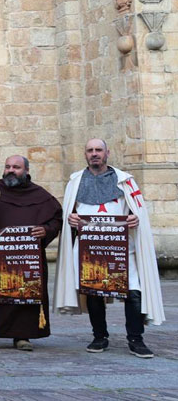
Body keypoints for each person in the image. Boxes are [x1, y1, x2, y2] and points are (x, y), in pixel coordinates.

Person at [55, 139, 164, 358]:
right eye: (90, 150)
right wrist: (72, 219)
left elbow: (138, 211)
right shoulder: (75, 181)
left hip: (121, 247)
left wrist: (135, 218)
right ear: (85, 154)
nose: (94, 154)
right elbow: (69, 212)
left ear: (107, 153)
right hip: (90, 247)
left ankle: (136, 339)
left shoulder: (125, 181)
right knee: (94, 291)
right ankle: (99, 336)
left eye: (98, 150)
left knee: (133, 292)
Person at [0, 155, 62, 352]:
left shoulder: (40, 195)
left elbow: (56, 219)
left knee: (25, 294)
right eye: (8, 166)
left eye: (16, 167)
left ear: (26, 170)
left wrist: (46, 230)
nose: (11, 170)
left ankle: (22, 335)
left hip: (28, 256)